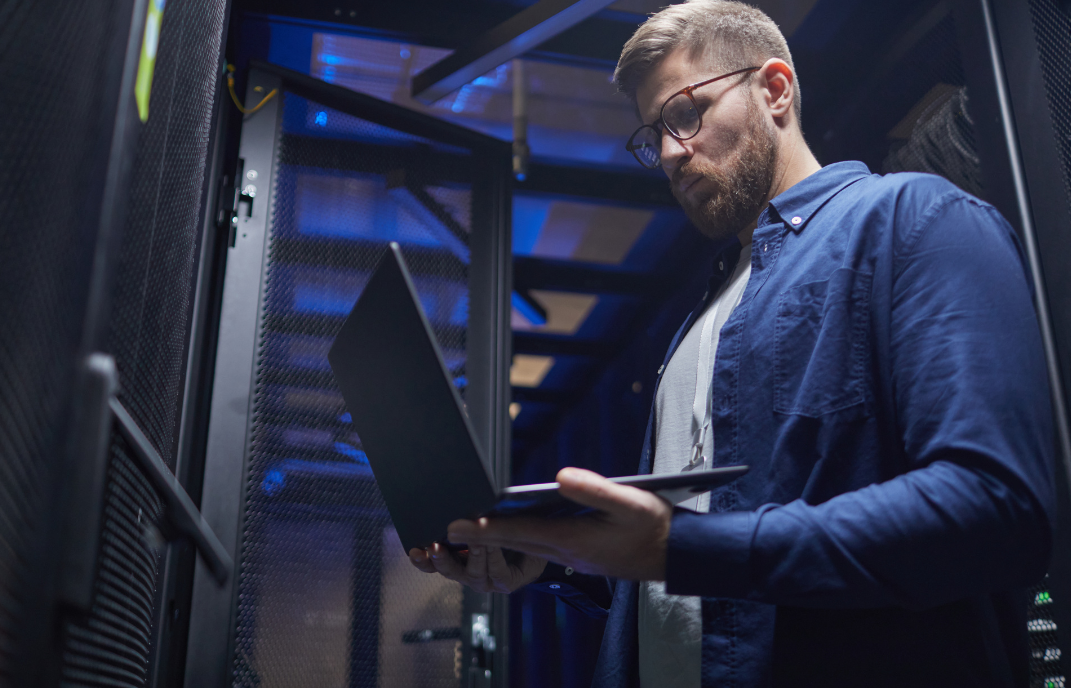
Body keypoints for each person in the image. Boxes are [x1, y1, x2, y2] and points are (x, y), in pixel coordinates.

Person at [408, 1, 1056, 685]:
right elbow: (699, 592)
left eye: (685, 114)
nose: (667, 153)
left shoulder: (916, 221)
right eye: (652, 134)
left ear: (774, 90)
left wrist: (679, 546)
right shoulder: (700, 319)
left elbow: (995, 509)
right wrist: (561, 561)